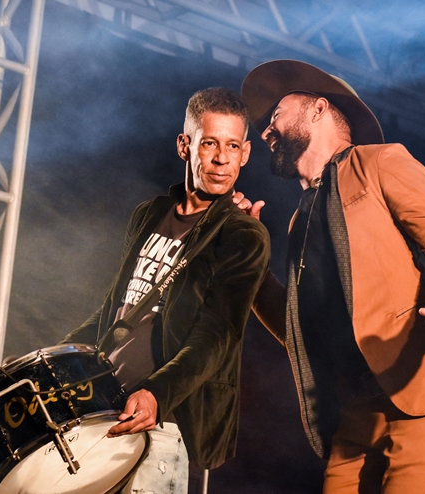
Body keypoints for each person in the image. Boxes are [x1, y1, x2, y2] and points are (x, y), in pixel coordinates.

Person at [239, 59, 425, 494]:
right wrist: (251, 262)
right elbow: (297, 331)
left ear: (318, 108)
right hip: (357, 408)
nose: (265, 132)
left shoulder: (380, 162)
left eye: (276, 114)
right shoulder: (300, 221)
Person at [61, 87, 270, 493]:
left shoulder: (243, 234)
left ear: (245, 153)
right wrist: (54, 360)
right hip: (103, 406)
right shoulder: (149, 213)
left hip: (165, 420)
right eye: (209, 143)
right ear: (184, 145)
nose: (222, 159)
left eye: (232, 146)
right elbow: (116, 308)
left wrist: (157, 393)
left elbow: (218, 334)